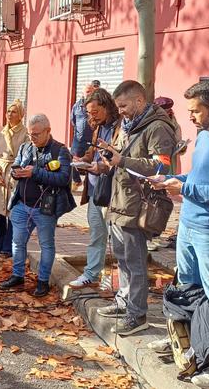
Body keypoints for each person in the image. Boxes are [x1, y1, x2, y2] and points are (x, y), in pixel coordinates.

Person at [149, 81, 209, 388]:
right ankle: (191, 347)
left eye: (195, 111)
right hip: (189, 225)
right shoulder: (205, 135)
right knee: (187, 290)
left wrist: (186, 188)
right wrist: (172, 179)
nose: (190, 117)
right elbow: (200, 177)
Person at [94, 80, 176, 335]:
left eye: (124, 106)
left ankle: (137, 314)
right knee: (123, 259)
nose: (120, 111)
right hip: (119, 203)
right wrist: (110, 158)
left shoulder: (158, 128)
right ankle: (124, 302)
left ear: (140, 101)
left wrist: (122, 159)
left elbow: (160, 167)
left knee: (136, 262)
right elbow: (124, 158)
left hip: (137, 206)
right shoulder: (131, 124)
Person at [0, 113, 74, 297]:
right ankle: (18, 275)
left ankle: (42, 281)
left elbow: (64, 178)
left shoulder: (60, 151)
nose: (32, 138)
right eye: (30, 134)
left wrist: (36, 173)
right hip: (22, 205)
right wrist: (16, 173)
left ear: (48, 131)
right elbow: (15, 166)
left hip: (45, 208)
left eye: (36, 134)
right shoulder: (25, 147)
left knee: (46, 245)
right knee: (17, 242)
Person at [68, 88, 120, 289]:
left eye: (95, 111)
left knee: (116, 240)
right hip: (94, 191)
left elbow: (120, 159)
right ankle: (91, 273)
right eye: (88, 113)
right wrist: (83, 160)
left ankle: (116, 279)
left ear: (107, 107)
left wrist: (104, 167)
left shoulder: (120, 128)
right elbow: (93, 152)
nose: (91, 116)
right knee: (96, 234)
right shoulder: (98, 127)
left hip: (112, 193)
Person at [0, 99, 28, 257]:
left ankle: (7, 248)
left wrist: (18, 170)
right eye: (8, 111)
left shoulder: (26, 134)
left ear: (21, 115)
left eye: (14, 112)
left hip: (15, 175)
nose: (10, 114)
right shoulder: (0, 132)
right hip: (1, 174)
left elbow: (26, 156)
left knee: (13, 213)